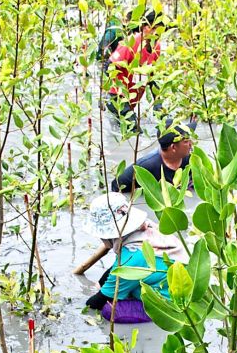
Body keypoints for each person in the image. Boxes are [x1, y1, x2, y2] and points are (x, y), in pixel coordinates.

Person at [82, 192, 184, 323]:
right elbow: (117, 268)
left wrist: (83, 306)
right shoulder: (146, 229)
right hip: (179, 288)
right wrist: (100, 283)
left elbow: (97, 302)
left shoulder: (130, 258)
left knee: (110, 310)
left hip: (170, 305)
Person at [106, 9, 164, 134]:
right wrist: (120, 92)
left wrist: (158, 105)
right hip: (118, 98)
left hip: (131, 101)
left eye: (158, 29)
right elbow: (108, 66)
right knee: (136, 133)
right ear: (143, 27)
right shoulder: (131, 43)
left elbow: (152, 78)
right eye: (151, 28)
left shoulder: (157, 48)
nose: (154, 33)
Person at [110, 119, 194, 194]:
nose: (191, 144)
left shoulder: (192, 160)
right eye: (186, 141)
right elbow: (116, 187)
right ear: (173, 147)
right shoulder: (146, 166)